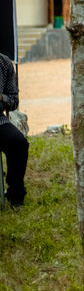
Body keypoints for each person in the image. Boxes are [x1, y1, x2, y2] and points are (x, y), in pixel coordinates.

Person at [0, 54, 28, 208]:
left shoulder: (4, 63)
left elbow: (13, 101)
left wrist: (1, 98)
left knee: (19, 143)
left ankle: (15, 193)